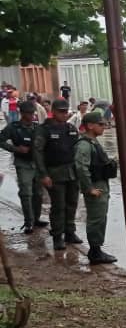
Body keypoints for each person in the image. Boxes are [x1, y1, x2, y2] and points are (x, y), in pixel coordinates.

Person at [34, 98, 82, 251]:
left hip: (72, 173)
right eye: (61, 111)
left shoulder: (71, 128)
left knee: (72, 203)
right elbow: (38, 153)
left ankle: (70, 232)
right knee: (58, 206)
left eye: (65, 111)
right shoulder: (44, 129)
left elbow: (78, 150)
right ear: (53, 112)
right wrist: (43, 175)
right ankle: (57, 236)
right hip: (54, 173)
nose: (64, 114)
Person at [74, 111, 117, 265]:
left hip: (101, 184)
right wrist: (89, 188)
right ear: (90, 126)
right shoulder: (84, 145)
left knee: (100, 217)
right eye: (101, 124)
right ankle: (95, 251)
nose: (104, 127)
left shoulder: (93, 142)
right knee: (96, 218)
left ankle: (97, 249)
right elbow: (81, 167)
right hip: (95, 185)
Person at [0, 102, 48, 233]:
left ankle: (36, 219)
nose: (32, 116)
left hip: (37, 164)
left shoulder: (38, 128)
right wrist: (15, 149)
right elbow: (1, 140)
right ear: (22, 113)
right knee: (26, 193)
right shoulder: (13, 127)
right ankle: (28, 222)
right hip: (23, 164)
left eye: (33, 113)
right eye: (29, 113)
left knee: (38, 193)